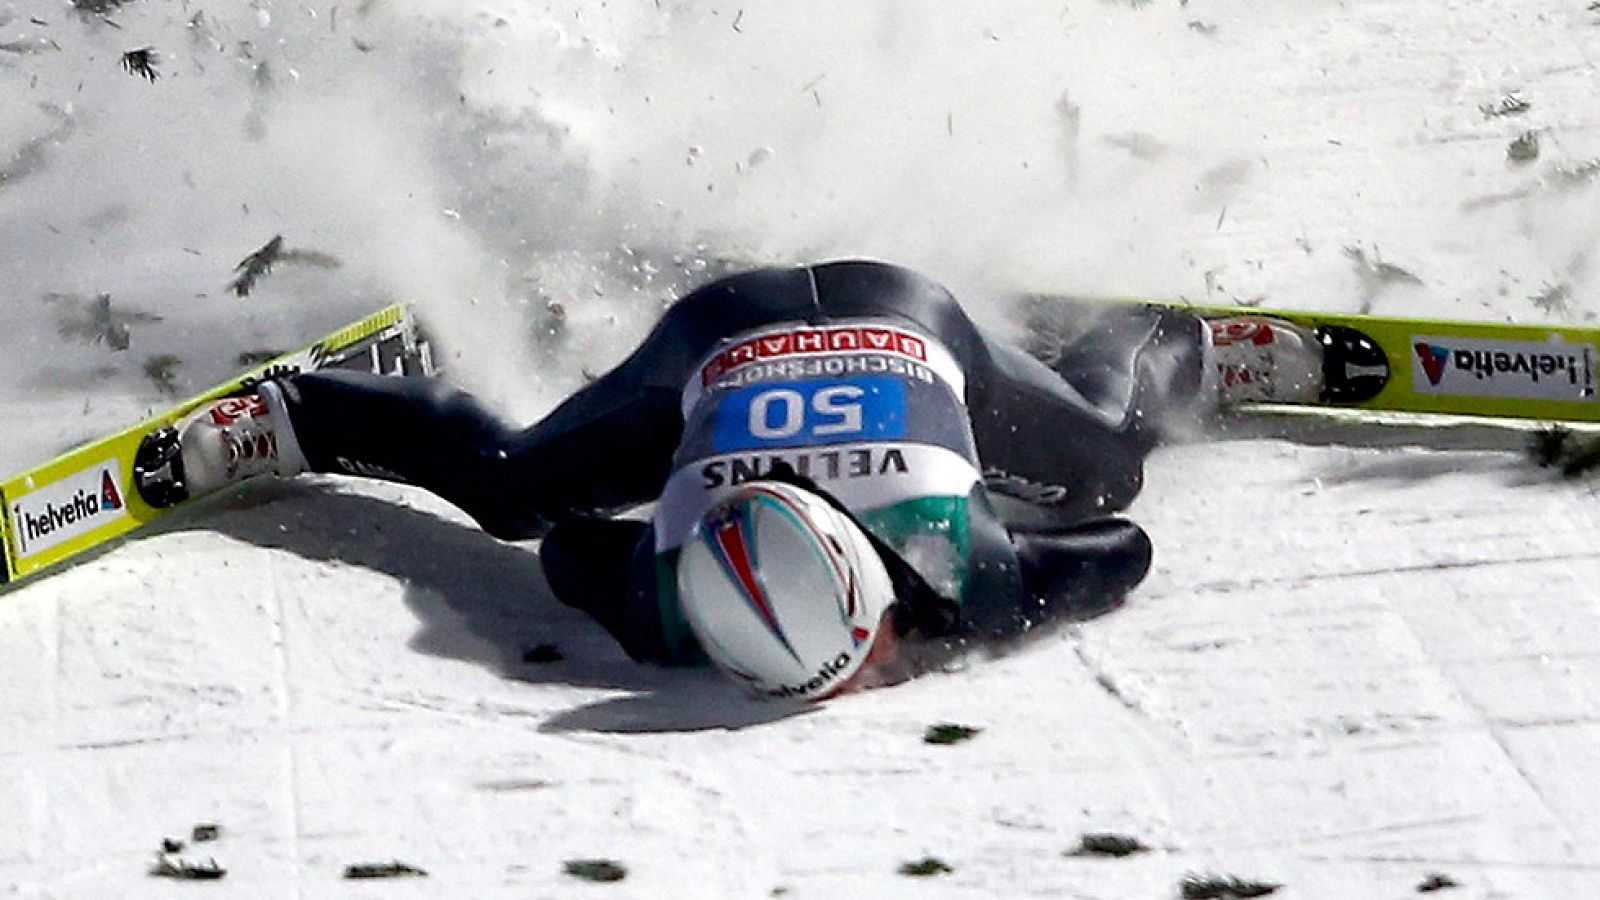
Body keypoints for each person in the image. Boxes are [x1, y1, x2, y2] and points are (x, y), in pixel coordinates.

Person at [134, 260, 1328, 700]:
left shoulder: (678, 601)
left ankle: (1164, 336)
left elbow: (1117, 550)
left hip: (870, 317)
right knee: (510, 486)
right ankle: (296, 416)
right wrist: (976, 617)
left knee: (1104, 467)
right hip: (743, 330)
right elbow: (1116, 567)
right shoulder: (959, 570)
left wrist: (974, 610)